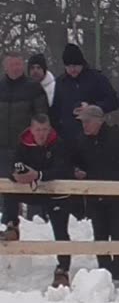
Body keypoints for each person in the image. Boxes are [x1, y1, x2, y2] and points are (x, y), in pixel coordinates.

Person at [72, 105, 119, 285]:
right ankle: (104, 274)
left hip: (116, 193)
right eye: (82, 122)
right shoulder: (81, 141)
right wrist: (78, 171)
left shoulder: (118, 137)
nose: (84, 126)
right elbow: (74, 162)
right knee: (99, 235)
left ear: (98, 121)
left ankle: (118, 276)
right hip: (94, 194)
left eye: (87, 121)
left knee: (117, 234)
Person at [6, 113, 76, 287]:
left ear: (49, 129)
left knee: (60, 232)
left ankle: (63, 269)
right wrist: (17, 176)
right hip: (32, 189)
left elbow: (64, 170)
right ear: (32, 129)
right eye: (38, 130)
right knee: (8, 190)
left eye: (45, 130)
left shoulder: (58, 144)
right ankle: (11, 225)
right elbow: (13, 165)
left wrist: (38, 175)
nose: (41, 134)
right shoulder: (23, 144)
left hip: (56, 193)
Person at [0, 52, 50, 240]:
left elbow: (42, 115)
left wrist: (37, 140)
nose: (17, 68)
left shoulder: (33, 88)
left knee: (28, 182)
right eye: (13, 65)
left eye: (20, 65)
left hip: (25, 147)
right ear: (6, 67)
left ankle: (38, 221)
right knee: (7, 186)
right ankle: (11, 224)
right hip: (2, 147)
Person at [49, 44, 118, 138]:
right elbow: (55, 110)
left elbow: (113, 101)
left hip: (94, 134)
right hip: (68, 136)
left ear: (81, 64)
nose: (72, 69)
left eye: (75, 65)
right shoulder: (60, 83)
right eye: (69, 66)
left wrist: (92, 108)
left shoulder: (97, 79)